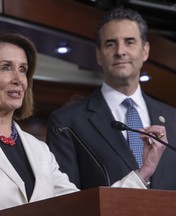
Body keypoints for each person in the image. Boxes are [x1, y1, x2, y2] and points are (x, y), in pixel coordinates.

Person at [0, 31, 164, 216]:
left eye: (23, 70)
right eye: (6, 67)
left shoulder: (38, 149)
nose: (18, 79)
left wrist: (143, 173)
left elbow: (83, 207)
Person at [46, 7, 176, 190]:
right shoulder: (66, 122)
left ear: (145, 51)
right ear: (99, 55)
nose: (120, 51)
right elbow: (67, 202)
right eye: (110, 44)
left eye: (129, 42)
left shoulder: (173, 119)